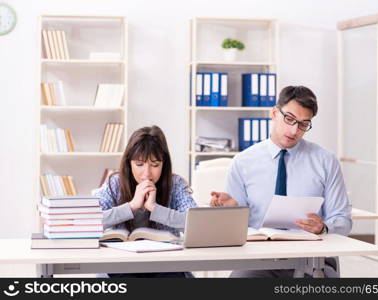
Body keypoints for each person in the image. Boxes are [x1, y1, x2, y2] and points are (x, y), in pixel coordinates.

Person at [210, 85, 352, 278]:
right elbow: (233, 230)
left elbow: (342, 219)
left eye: (303, 124)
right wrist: (231, 211)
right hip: (259, 261)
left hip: (312, 259)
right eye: (289, 119)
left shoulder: (326, 161)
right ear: (275, 113)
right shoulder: (243, 162)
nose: (294, 130)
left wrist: (324, 228)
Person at [95, 125, 197, 278]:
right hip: (122, 265)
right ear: (129, 163)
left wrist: (155, 209)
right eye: (139, 164)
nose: (147, 173)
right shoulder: (115, 183)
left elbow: (195, 222)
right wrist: (131, 207)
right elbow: (91, 220)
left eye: (155, 165)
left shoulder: (175, 184)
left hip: (166, 265)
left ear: (164, 164)